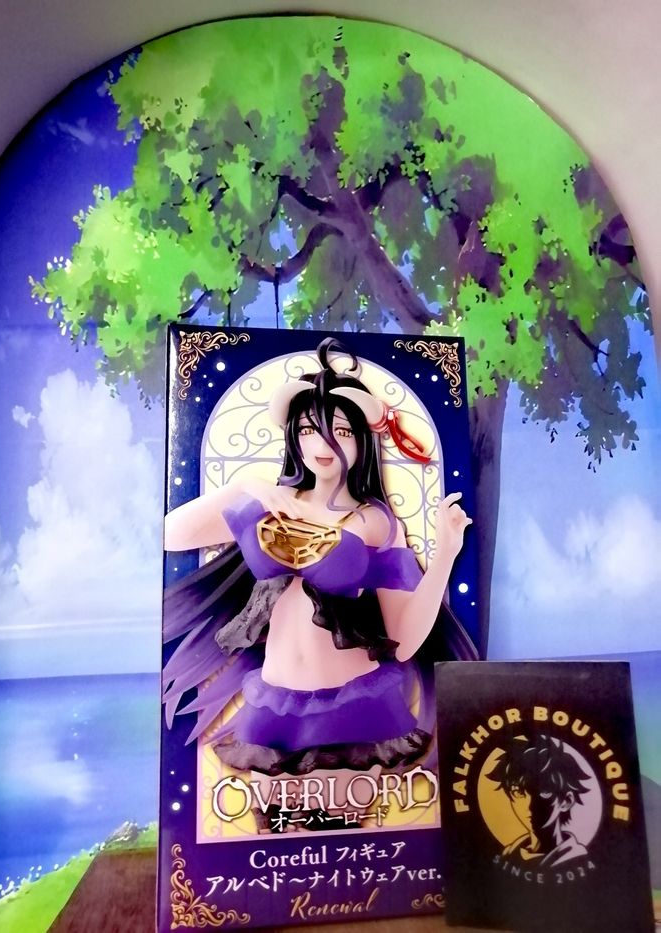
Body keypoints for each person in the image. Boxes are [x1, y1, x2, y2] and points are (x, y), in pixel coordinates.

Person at [162, 337, 477, 810]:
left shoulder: (375, 522)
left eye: (341, 431)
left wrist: (446, 554)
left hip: (355, 708)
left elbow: (404, 640)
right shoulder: (271, 501)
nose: (323, 444)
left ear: (362, 440)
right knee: (273, 837)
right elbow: (172, 534)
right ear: (294, 437)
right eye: (310, 429)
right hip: (272, 707)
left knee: (347, 838)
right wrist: (245, 485)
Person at [486, 734, 591, 867]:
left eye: (544, 792)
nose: (530, 806)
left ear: (566, 801)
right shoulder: (509, 855)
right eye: (518, 793)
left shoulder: (578, 860)